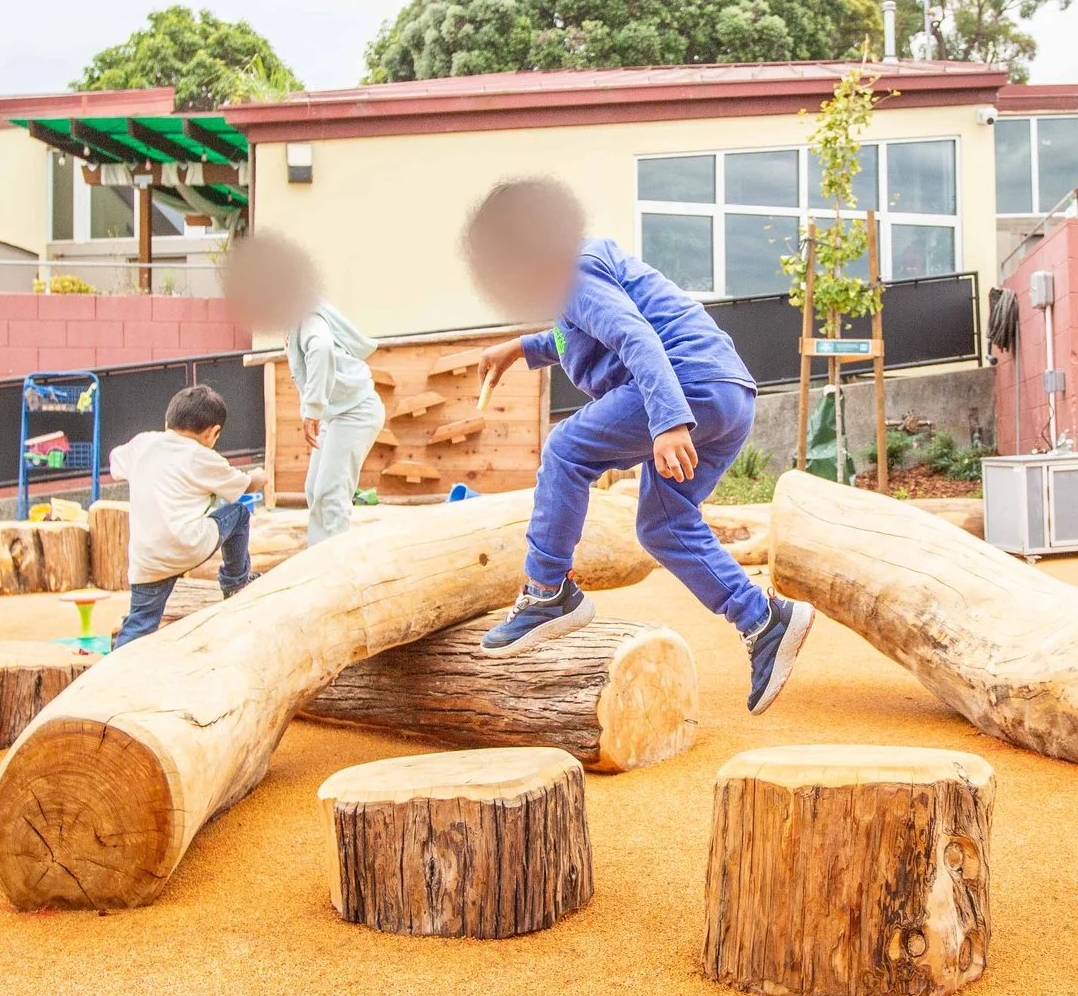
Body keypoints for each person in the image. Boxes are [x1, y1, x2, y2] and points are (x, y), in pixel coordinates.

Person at [465, 177, 812, 714]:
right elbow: (582, 333)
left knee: (565, 450)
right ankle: (763, 620)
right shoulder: (579, 269)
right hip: (727, 393)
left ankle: (547, 590)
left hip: (686, 388)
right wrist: (522, 348)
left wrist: (669, 421)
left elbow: (634, 337)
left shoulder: (571, 271)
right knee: (664, 525)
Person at [106, 384, 266, 649]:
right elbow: (245, 486)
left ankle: (118, 664)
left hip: (147, 559)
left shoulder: (143, 443)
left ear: (167, 422)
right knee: (238, 513)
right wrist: (261, 475)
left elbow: (115, 461)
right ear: (212, 432)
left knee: (139, 624)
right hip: (187, 545)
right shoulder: (203, 457)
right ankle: (235, 582)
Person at [286, 300, 384, 546]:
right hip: (337, 414)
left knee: (331, 496)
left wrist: (313, 409)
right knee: (314, 489)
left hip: (356, 412)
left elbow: (321, 349)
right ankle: (321, 555)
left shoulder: (307, 317)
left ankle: (332, 564)